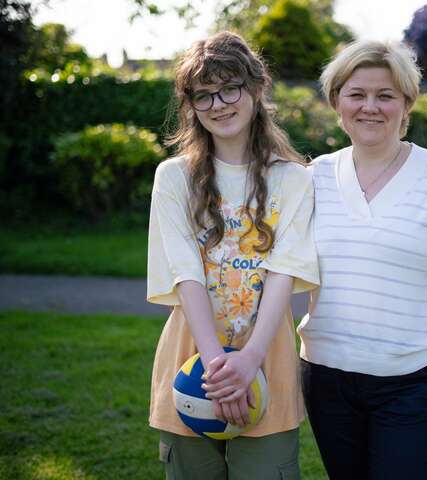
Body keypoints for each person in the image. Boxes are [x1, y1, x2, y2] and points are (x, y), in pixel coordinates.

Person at [298, 40, 427, 480]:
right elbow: (285, 275)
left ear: (406, 104)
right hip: (325, 377)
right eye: (356, 94)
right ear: (337, 102)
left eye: (386, 95)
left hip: (412, 382)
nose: (370, 107)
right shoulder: (313, 177)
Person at [146, 31, 318, 480]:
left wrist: (248, 361)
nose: (218, 104)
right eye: (203, 95)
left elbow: (284, 274)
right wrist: (217, 368)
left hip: (269, 361)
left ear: (257, 88)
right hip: (191, 368)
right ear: (191, 106)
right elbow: (186, 275)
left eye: (230, 87)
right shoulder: (174, 178)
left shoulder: (294, 180)